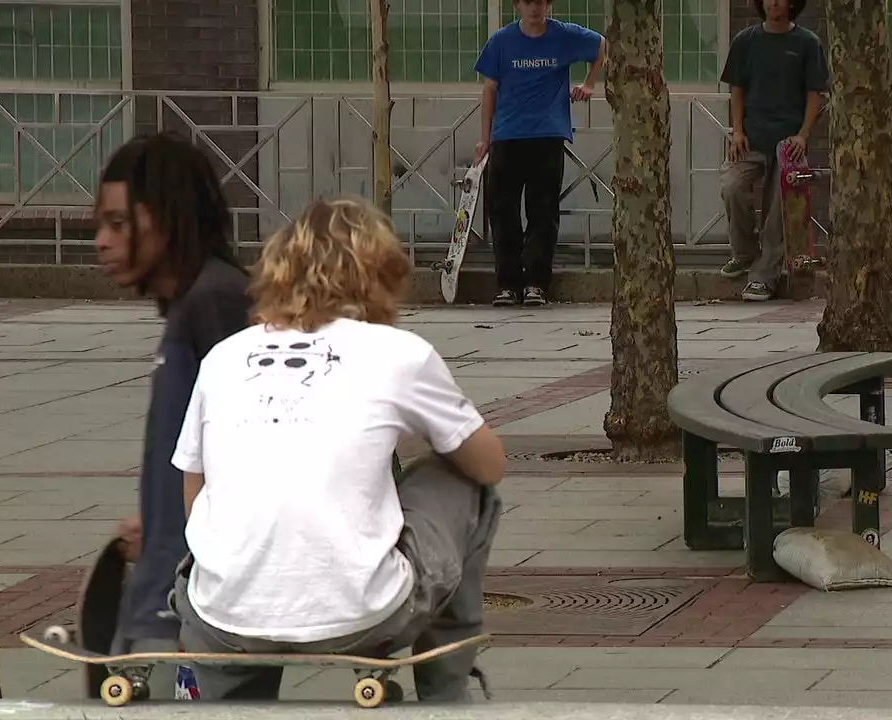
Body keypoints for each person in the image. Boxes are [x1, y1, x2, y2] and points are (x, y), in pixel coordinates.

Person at [167, 197, 507, 703]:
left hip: (223, 617)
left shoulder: (223, 357)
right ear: (380, 275)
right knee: (465, 482)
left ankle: (213, 689)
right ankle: (447, 694)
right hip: (367, 612)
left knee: (221, 551)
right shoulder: (399, 354)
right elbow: (489, 463)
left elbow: (194, 495)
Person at [93, 131, 254, 698]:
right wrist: (159, 519)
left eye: (118, 223)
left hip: (184, 619)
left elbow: (258, 449)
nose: (101, 242)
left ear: (164, 218)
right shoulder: (196, 304)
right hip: (171, 602)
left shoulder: (217, 302)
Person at [474, 0, 607, 307]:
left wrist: (589, 83)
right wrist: (485, 140)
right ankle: (508, 284)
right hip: (507, 135)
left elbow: (602, 45)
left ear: (548, 5)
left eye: (540, 2)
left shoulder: (564, 35)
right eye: (528, 2)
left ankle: (536, 283)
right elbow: (489, 89)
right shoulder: (501, 41)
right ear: (518, 5)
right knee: (503, 212)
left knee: (542, 212)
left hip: (547, 134)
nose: (534, 8)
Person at [719, 0, 830, 302]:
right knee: (732, 186)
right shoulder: (746, 41)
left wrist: (804, 136)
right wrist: (737, 131)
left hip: (788, 143)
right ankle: (744, 254)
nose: (774, 2)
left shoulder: (807, 43)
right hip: (751, 137)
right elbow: (736, 89)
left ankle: (763, 278)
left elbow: (815, 94)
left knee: (779, 209)